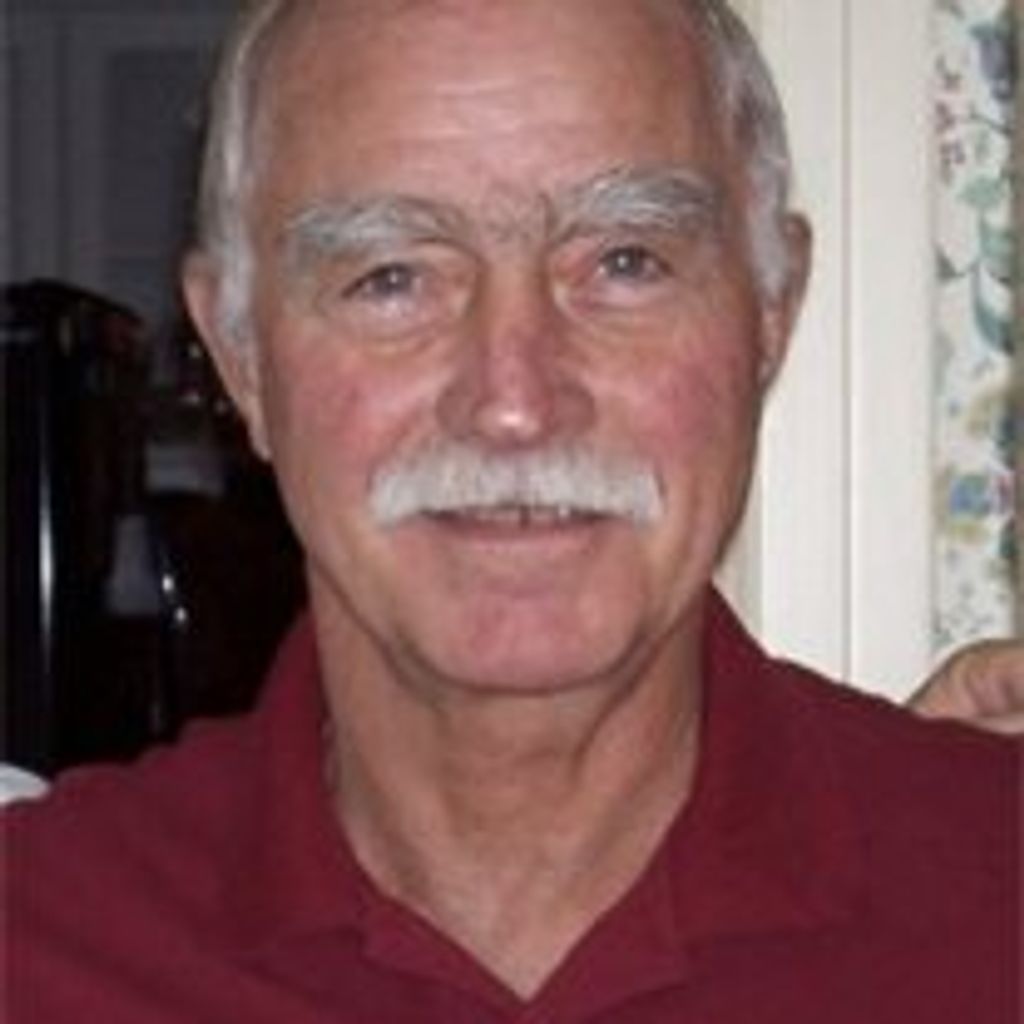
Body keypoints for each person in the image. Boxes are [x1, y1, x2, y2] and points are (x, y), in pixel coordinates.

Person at [5, 1, 1020, 1020]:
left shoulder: (991, 900)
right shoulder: (37, 941)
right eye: (391, 277)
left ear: (771, 311)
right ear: (240, 355)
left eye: (624, 262)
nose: (515, 402)